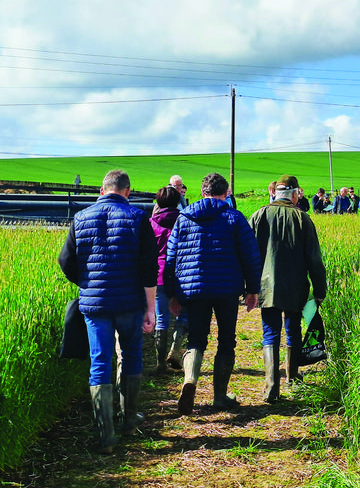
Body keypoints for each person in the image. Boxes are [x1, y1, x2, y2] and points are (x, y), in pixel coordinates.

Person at [58, 170, 158, 454]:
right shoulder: (139, 218)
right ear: (128, 191)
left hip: (95, 304)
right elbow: (149, 267)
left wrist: (87, 283)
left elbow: (66, 260)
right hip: (129, 302)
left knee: (100, 360)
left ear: (102, 191)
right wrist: (150, 307)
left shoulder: (81, 218)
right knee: (130, 355)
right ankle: (129, 419)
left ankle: (106, 435)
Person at [165, 173, 262, 415]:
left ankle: (190, 380)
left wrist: (172, 294)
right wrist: (253, 290)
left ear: (202, 190)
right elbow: (250, 257)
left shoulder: (184, 218)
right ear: (226, 192)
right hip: (227, 289)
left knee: (197, 338)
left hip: (193, 288)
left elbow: (170, 259)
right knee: (226, 339)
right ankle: (220, 396)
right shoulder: (235, 218)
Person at [247, 175, 327, 403]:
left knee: (270, 332)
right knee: (292, 330)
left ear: (275, 193)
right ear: (294, 194)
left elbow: (247, 253)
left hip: (266, 286)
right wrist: (320, 290)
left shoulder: (259, 215)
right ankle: (292, 377)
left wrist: (247, 286)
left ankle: (271, 386)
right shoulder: (303, 219)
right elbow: (314, 260)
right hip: (295, 286)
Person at [150, 186, 189, 373]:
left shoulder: (150, 223)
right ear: (177, 202)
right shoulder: (185, 221)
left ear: (158, 202)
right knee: (184, 314)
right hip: (182, 275)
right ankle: (175, 349)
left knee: (161, 318)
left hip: (158, 275)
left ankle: (160, 363)